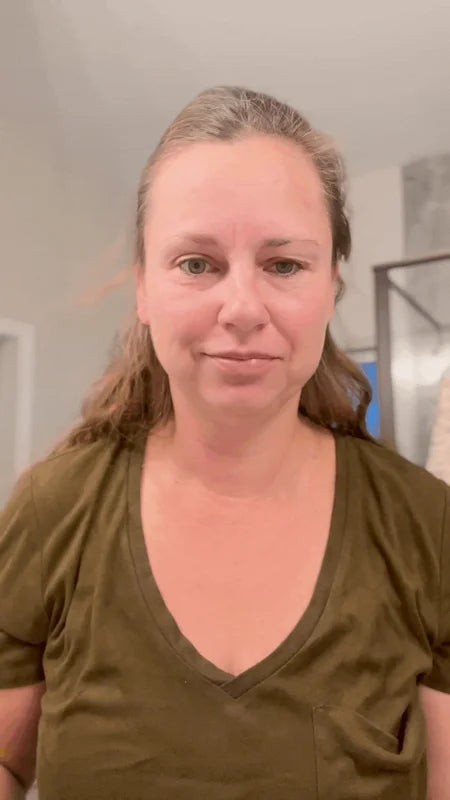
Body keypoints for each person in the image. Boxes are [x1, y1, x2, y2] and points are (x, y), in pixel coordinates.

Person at [0, 86, 449, 800]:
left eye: (284, 265)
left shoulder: (428, 524)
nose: (241, 308)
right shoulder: (50, 512)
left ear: (331, 288)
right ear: (144, 290)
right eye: (196, 263)